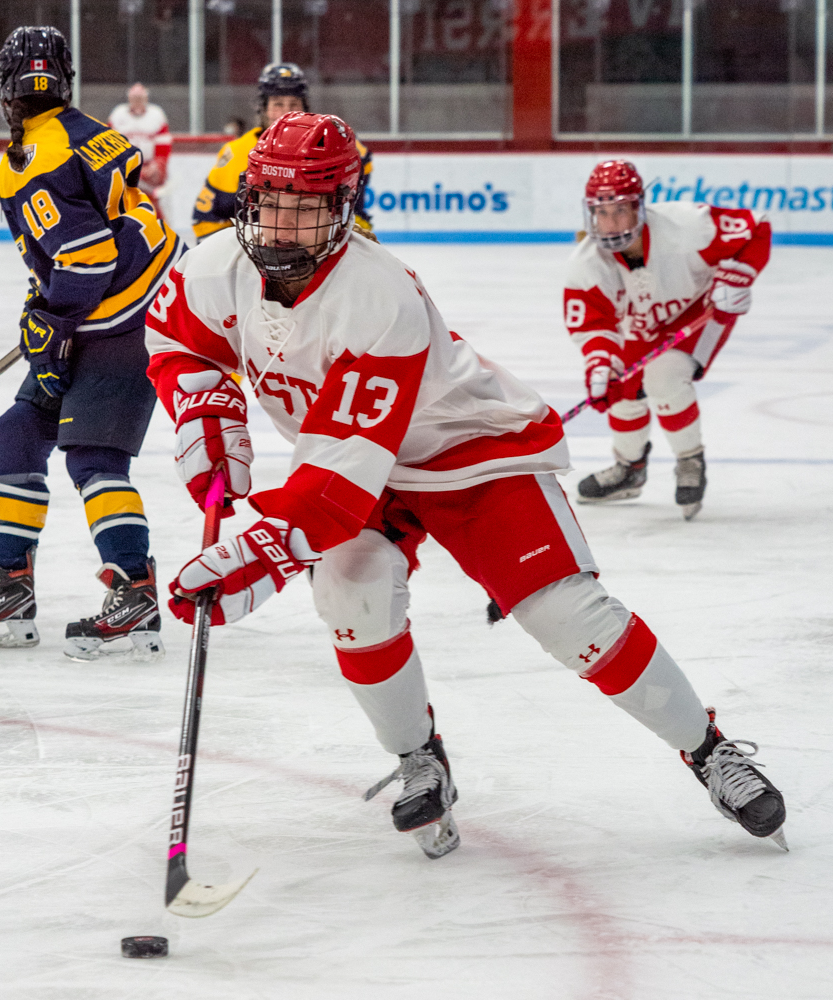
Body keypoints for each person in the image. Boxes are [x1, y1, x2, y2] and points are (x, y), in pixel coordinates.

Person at [145, 112, 787, 859]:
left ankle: (709, 752)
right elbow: (177, 340)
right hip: (354, 466)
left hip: (470, 454)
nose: (286, 226)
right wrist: (204, 406)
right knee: (351, 594)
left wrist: (266, 548)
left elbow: (339, 478)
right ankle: (420, 758)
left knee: (566, 614)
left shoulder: (377, 293)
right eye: (274, 203)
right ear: (249, 196)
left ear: (343, 208)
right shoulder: (212, 266)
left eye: (309, 207)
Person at [0, 26, 182, 662]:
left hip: (126, 317)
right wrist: (46, 310)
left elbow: (86, 258)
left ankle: (134, 593)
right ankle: (14, 586)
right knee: (18, 432)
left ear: (5, 91)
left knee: (93, 458)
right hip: (115, 305)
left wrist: (51, 321)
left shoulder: (32, 158)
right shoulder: (84, 128)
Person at [564, 160, 771, 519]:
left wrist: (737, 277)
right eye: (601, 213)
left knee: (664, 377)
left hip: (700, 311)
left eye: (621, 211)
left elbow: (756, 228)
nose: (610, 223)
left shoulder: (687, 227)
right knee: (620, 385)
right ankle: (630, 468)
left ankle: (690, 459)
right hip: (644, 326)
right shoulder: (586, 264)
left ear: (640, 208)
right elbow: (595, 326)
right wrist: (600, 365)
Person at [191, 62, 373, 243]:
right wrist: (237, 256)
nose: (287, 111)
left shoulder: (338, 147)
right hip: (257, 256)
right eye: (278, 104)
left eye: (294, 103)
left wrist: (352, 242)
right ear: (263, 108)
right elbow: (207, 220)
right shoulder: (236, 152)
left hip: (318, 250)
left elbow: (354, 212)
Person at [109, 83, 172, 219]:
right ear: (129, 99)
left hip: (150, 169)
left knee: (155, 203)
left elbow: (164, 145)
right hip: (125, 167)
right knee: (124, 202)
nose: (137, 102)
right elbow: (110, 146)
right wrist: (126, 167)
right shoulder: (117, 114)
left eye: (140, 98)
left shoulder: (157, 115)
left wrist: (157, 166)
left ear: (146, 99)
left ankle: (161, 230)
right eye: (135, 98)